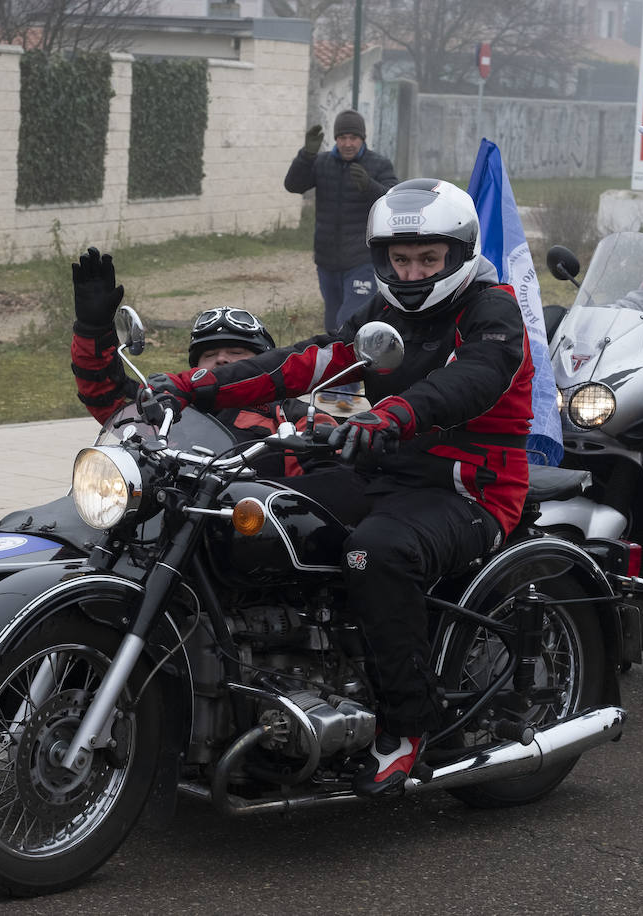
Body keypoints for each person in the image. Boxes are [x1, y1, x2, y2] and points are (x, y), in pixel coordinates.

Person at [150, 178, 534, 797]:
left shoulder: (491, 311)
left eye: (427, 259)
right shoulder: (380, 318)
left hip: (469, 490)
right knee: (253, 515)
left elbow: (471, 381)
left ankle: (407, 728)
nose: (412, 272)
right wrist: (191, 386)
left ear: (459, 256)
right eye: (400, 259)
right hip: (381, 475)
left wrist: (392, 416)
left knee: (373, 554)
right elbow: (306, 361)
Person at [68, 248, 334, 476]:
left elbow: (323, 476)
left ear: (264, 364)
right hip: (176, 522)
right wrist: (93, 329)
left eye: (236, 352)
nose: (221, 359)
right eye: (209, 355)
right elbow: (106, 395)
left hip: (256, 525)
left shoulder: (292, 415)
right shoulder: (169, 409)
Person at [284, 109, 399, 334]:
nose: (348, 143)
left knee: (349, 321)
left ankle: (363, 364)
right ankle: (341, 367)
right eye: (342, 138)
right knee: (331, 326)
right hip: (327, 261)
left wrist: (369, 186)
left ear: (362, 139)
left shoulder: (379, 164)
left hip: (362, 260)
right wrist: (306, 155)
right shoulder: (321, 162)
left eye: (353, 138)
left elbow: (393, 201)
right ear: (335, 139)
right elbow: (293, 185)